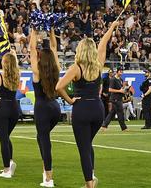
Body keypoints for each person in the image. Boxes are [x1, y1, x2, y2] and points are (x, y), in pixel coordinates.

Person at [56, 19, 119, 188]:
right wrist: (111, 27)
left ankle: (89, 184)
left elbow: (59, 87)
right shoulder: (98, 64)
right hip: (98, 109)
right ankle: (92, 176)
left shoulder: (76, 67)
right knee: (87, 144)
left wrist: (69, 100)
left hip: (82, 109)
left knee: (83, 149)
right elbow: (104, 43)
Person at [29, 28, 61, 187]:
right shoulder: (57, 69)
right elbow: (54, 48)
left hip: (42, 109)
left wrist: (34, 31)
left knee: (45, 140)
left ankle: (49, 178)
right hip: (55, 108)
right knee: (40, 137)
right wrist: (52, 31)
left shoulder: (37, 71)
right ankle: (45, 170)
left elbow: (31, 50)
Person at [0, 52, 21, 179]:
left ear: (4, 63)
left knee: (4, 140)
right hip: (14, 108)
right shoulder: (18, 74)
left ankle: (7, 170)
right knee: (6, 137)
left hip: (2, 108)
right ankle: (10, 162)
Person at [101, 67, 128, 132]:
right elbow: (110, 89)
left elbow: (121, 89)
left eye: (122, 71)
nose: (121, 73)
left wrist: (124, 89)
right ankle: (124, 128)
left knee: (112, 113)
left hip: (119, 98)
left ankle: (104, 126)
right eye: (120, 71)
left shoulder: (121, 79)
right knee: (120, 113)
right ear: (117, 72)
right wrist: (120, 91)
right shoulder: (113, 79)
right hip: (115, 98)